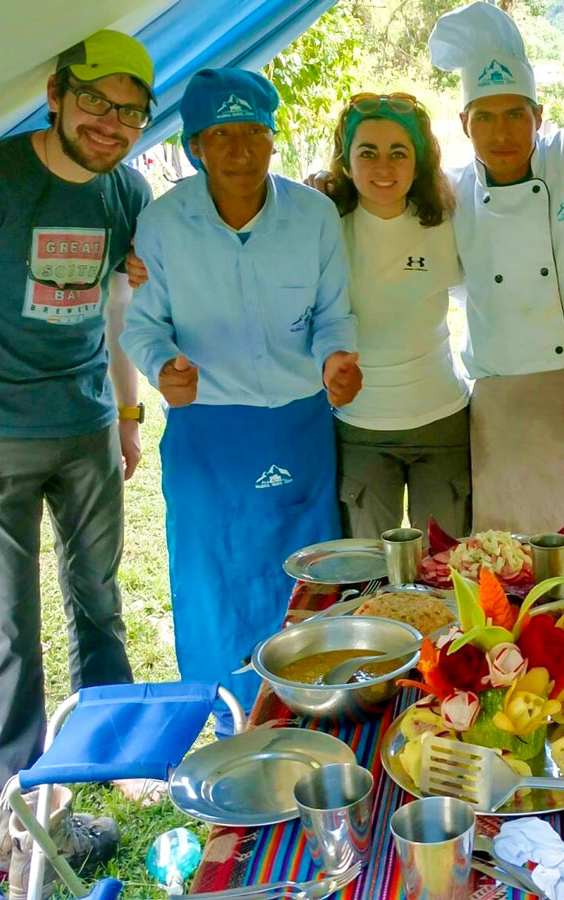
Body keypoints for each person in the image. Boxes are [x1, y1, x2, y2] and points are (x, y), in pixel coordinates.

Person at [0, 29, 154, 789]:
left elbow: (118, 304)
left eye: (131, 111)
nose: (110, 123)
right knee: (9, 628)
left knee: (100, 602)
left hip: (86, 429)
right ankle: (25, 794)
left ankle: (109, 752)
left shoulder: (127, 192)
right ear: (55, 95)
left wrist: (128, 412)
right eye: (94, 102)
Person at [120, 68, 359, 727]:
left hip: (299, 425)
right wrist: (161, 368)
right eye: (220, 135)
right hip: (207, 430)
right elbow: (143, 324)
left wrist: (336, 358)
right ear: (195, 145)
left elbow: (334, 316)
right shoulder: (164, 223)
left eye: (253, 132)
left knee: (305, 576)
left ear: (272, 139)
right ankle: (229, 721)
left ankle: (316, 710)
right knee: (212, 581)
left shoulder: (312, 217)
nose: (238, 150)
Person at [427, 1, 564, 538]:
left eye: (516, 115)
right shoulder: (448, 194)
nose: (502, 133)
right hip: (504, 410)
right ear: (463, 123)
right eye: (486, 117)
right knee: (511, 562)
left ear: (539, 116)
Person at [327, 93, 471, 538]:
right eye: (367, 153)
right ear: (346, 163)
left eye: (399, 153)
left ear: (418, 162)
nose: (383, 167)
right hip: (360, 427)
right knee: (368, 572)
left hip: (442, 422)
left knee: (447, 569)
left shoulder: (449, 221)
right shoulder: (324, 227)